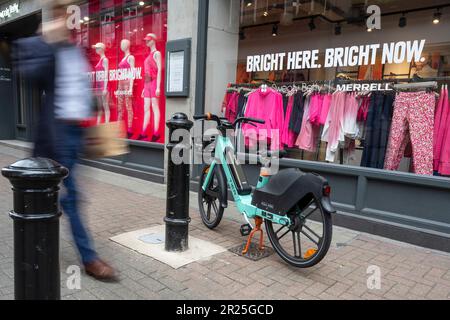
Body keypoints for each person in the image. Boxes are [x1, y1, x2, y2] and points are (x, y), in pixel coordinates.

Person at [15, 0, 117, 281]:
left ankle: (41, 234)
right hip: (54, 135)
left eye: (71, 12)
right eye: (62, 13)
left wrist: (95, 102)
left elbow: (75, 92)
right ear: (55, 16)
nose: (69, 17)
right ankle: (89, 258)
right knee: (71, 198)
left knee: (65, 197)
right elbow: (28, 73)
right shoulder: (46, 46)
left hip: (76, 134)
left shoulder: (76, 51)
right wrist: (44, 39)